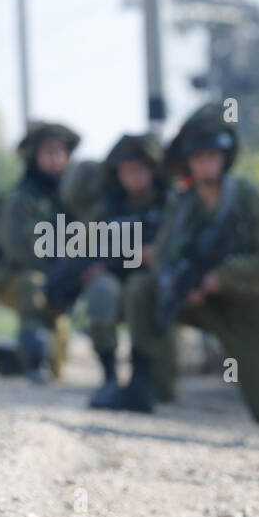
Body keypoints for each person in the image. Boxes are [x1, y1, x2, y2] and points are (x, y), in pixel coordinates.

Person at [90, 104, 259, 424]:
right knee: (143, 289)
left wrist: (220, 278)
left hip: (248, 310)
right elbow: (165, 256)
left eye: (213, 156)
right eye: (199, 158)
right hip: (199, 303)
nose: (206, 165)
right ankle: (149, 384)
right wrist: (177, 284)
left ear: (225, 158)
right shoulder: (182, 204)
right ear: (189, 162)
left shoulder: (249, 198)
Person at [0, 121, 79, 384]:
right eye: (49, 151)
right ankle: (34, 365)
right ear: (33, 156)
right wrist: (59, 270)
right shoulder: (22, 199)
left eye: (61, 151)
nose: (56, 158)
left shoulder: (70, 196)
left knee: (56, 365)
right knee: (33, 287)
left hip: (57, 279)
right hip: (13, 278)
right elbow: (19, 249)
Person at [58, 133, 168, 395]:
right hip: (120, 286)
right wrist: (96, 267)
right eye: (127, 171)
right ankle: (109, 375)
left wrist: (156, 255)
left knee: (164, 391)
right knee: (101, 289)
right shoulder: (109, 208)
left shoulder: (171, 203)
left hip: (160, 293)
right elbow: (85, 248)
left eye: (140, 170)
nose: (134, 178)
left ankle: (146, 372)